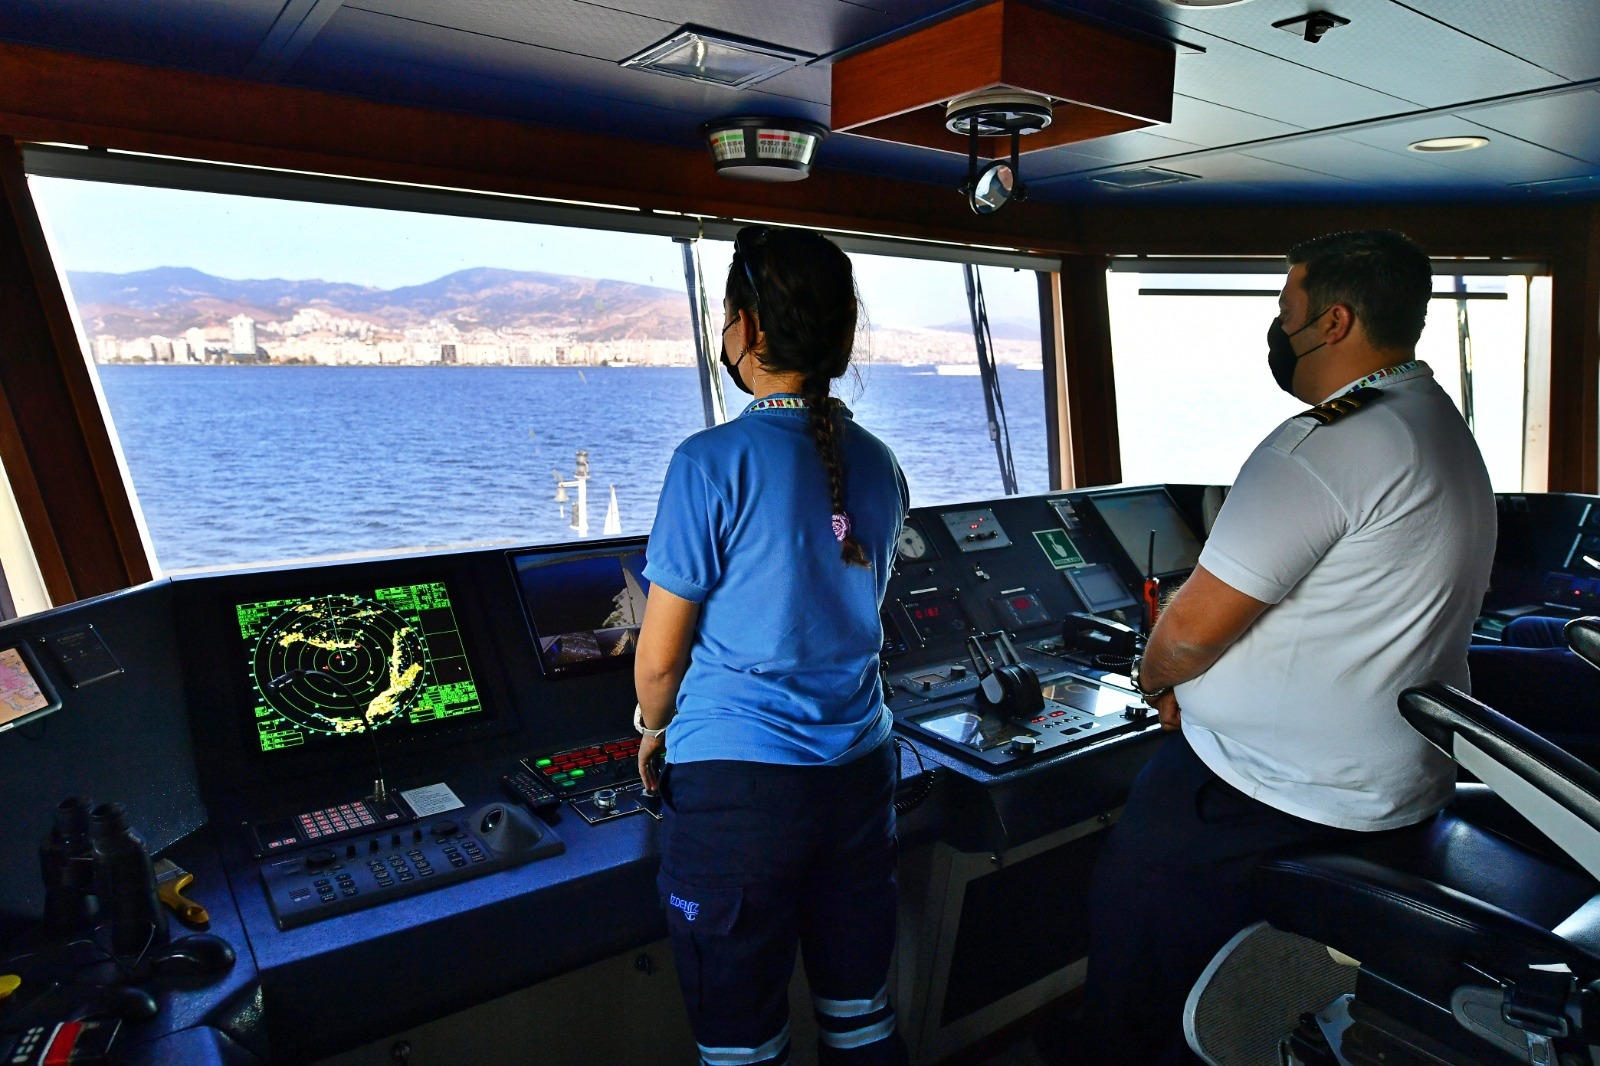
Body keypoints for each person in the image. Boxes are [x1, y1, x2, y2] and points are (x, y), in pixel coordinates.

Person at [1082, 230, 1496, 1064]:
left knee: (1134, 928)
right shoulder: (1436, 421)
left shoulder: (1323, 444)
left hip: (1262, 796)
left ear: (1333, 322)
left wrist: (1156, 680)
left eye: (1286, 310)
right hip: (1390, 788)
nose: (1278, 328)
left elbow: (1187, 632)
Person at [633, 225, 911, 1066]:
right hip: (859, 779)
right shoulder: (880, 463)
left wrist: (652, 729)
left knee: (743, 1046)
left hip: (740, 796)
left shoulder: (707, 463)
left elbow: (659, 660)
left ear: (748, 327)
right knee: (860, 1020)